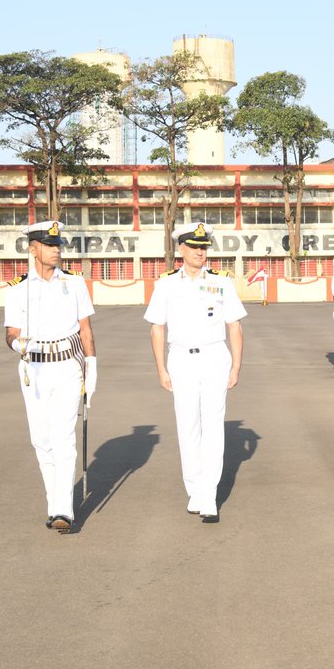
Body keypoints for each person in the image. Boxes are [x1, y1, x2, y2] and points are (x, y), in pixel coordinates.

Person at [144, 221, 246, 524]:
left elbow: (234, 326)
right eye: (195, 247)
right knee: (187, 426)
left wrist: (236, 365)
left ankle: (209, 494)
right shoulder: (165, 285)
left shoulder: (222, 282)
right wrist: (161, 368)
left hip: (215, 357)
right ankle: (195, 489)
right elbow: (157, 329)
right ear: (181, 249)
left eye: (204, 247)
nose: (201, 252)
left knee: (213, 426)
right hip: (181, 360)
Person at [3, 220, 97, 532]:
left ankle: (63, 510)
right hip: (34, 370)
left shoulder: (75, 283)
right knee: (41, 440)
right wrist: (17, 344)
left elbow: (85, 328)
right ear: (33, 249)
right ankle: (53, 500)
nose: (56, 250)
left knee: (63, 437)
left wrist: (92, 364)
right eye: (49, 245)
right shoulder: (18, 289)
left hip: (68, 365)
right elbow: (11, 332)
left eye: (58, 245)